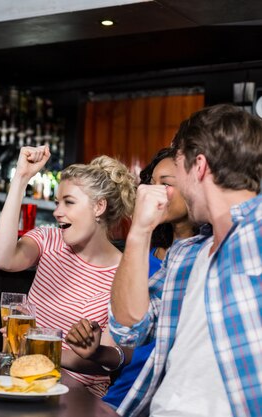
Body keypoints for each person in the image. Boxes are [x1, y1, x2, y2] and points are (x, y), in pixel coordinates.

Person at [109, 104, 262, 417]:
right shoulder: (187, 256)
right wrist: (139, 232)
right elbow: (128, 329)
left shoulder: (255, 230)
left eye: (178, 169)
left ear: (200, 166)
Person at [0, 145, 136, 396]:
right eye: (57, 202)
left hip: (78, 395)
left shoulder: (123, 273)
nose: (57, 212)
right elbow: (2, 259)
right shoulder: (49, 240)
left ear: (98, 207)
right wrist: (21, 178)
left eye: (68, 202)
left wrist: (38, 349)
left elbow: (102, 361)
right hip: (23, 380)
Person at [65, 147, 197, 409]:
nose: (152, 192)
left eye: (166, 184)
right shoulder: (140, 259)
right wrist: (97, 350)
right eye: (152, 183)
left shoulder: (206, 258)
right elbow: (127, 351)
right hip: (125, 397)